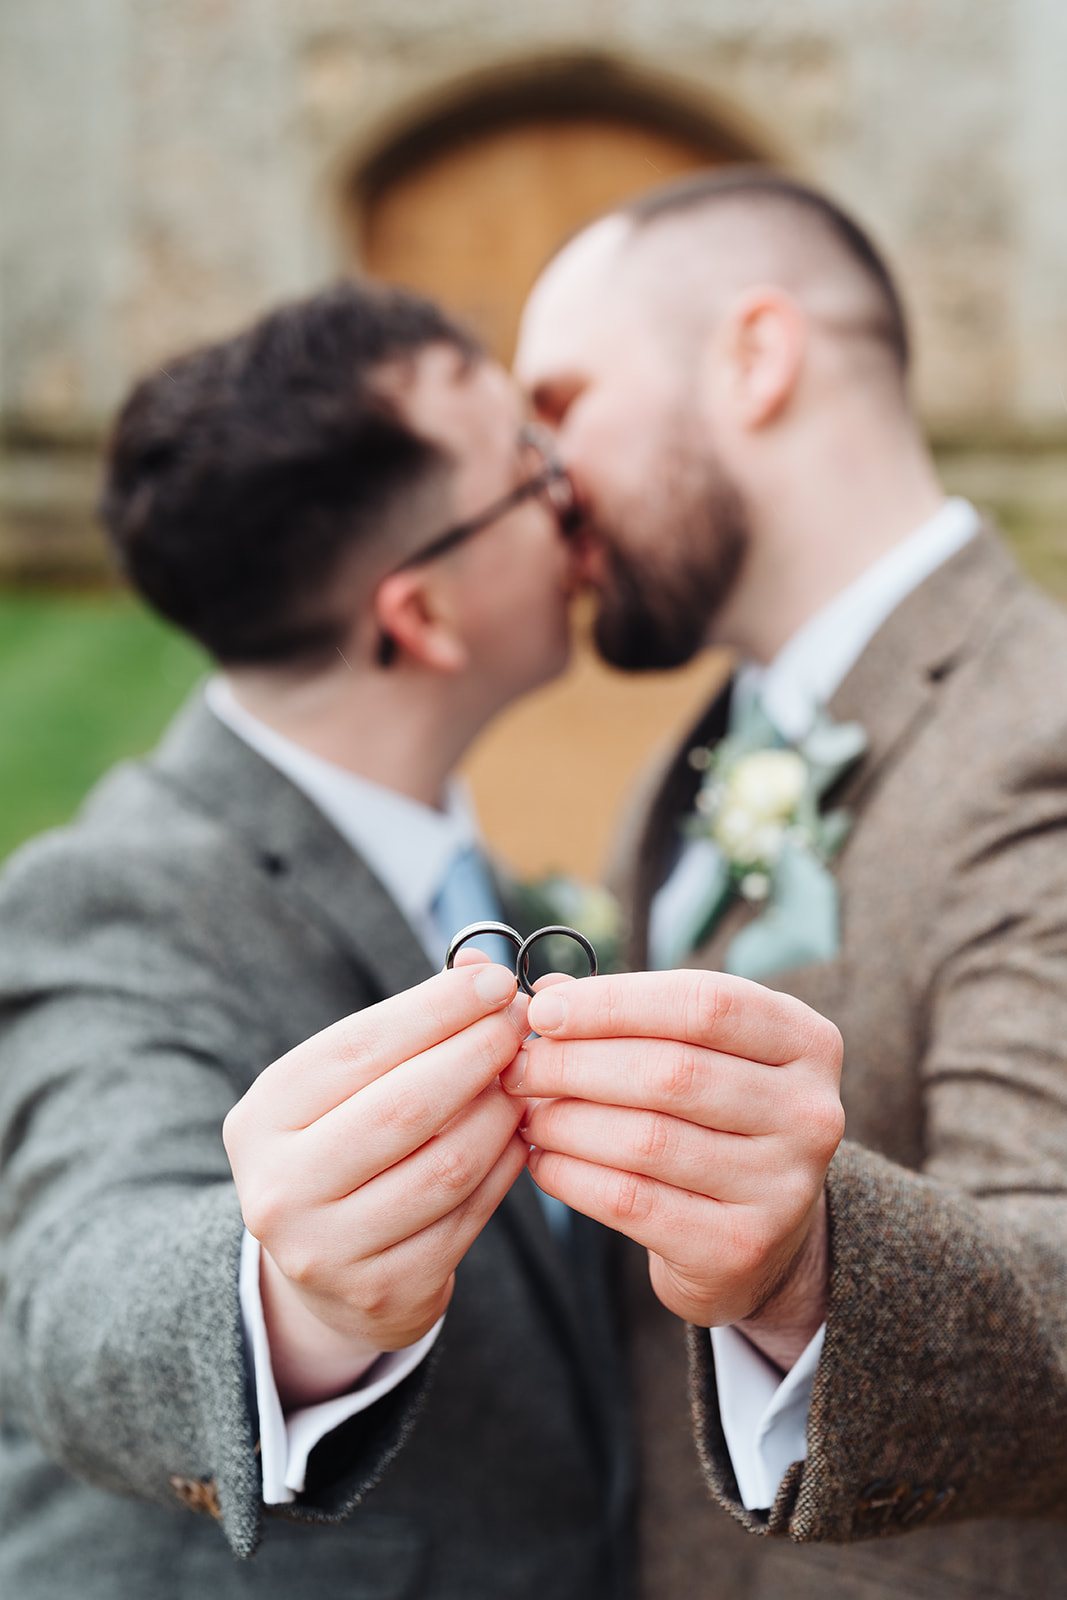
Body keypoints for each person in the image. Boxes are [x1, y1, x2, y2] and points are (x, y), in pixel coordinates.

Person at [0, 279, 844, 1599]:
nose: (576, 493)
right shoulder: (112, 897)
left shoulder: (484, 879)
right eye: (530, 470)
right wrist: (286, 1298)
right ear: (423, 616)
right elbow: (78, 1295)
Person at [512, 169, 1067, 1596]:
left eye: (562, 406)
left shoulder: (1043, 730)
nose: (539, 482)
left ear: (756, 358)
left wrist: (800, 1262)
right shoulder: (693, 755)